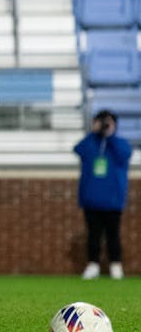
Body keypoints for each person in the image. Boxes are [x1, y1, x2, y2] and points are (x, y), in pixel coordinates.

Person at [73, 109, 132, 280]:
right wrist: (94, 132)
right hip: (91, 200)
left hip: (113, 201)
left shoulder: (120, 144)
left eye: (108, 122)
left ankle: (116, 265)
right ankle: (93, 265)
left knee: (113, 235)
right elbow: (78, 149)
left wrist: (110, 135)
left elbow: (125, 154)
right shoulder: (91, 143)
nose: (104, 125)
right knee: (93, 236)